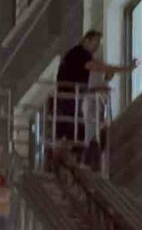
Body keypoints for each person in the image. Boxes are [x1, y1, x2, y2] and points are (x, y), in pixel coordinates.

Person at [54, 31, 137, 161]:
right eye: (96, 43)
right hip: (69, 97)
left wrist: (108, 74)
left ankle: (70, 155)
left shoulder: (79, 54)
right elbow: (96, 66)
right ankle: (66, 154)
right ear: (87, 40)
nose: (97, 47)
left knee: (76, 130)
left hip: (71, 96)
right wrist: (124, 69)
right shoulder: (79, 53)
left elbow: (95, 69)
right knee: (73, 129)